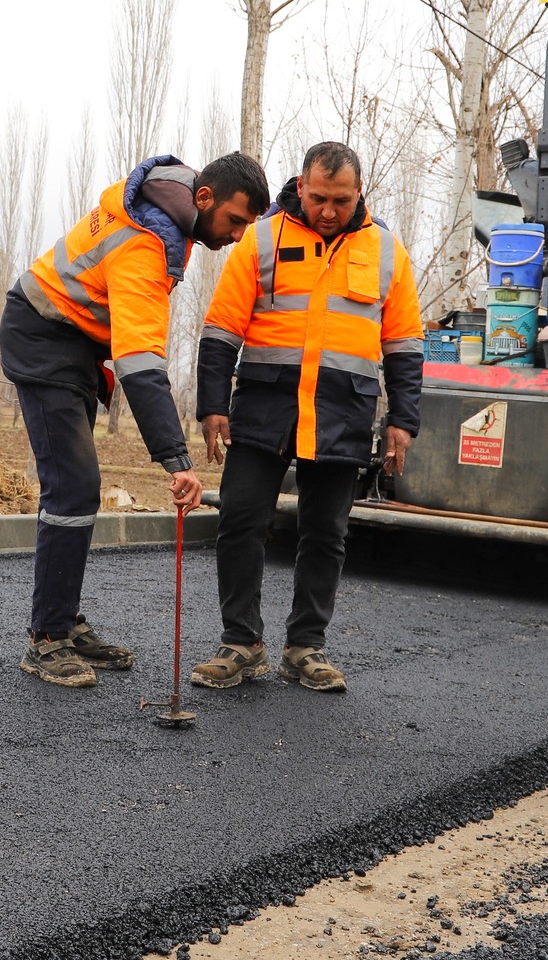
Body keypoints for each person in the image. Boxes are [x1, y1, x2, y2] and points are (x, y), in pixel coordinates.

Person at [0, 152, 271, 687]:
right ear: (203, 198)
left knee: (75, 489)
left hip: (71, 343)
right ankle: (47, 639)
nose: (239, 237)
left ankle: (64, 621)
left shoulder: (165, 214)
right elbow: (141, 364)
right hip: (42, 337)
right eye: (235, 222)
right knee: (73, 486)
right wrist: (177, 460)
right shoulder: (146, 243)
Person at [189, 142, 424, 694]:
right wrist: (212, 405)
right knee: (241, 521)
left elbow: (406, 344)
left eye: (340, 201)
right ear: (301, 183)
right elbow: (222, 328)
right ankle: (240, 642)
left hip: (343, 412)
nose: (327, 210)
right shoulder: (262, 237)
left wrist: (403, 420)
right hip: (265, 408)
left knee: (325, 533)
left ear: (359, 193)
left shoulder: (387, 250)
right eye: (318, 197)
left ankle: (306, 647)